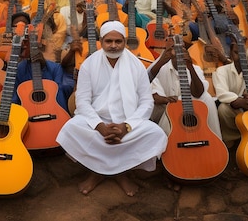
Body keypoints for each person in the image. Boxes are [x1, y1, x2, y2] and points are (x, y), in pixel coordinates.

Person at [56, 21, 167, 197]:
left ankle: (118, 173)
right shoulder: (89, 64)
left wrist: (126, 126)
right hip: (97, 122)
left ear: (124, 42)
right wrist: (99, 126)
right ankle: (100, 172)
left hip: (128, 123)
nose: (113, 46)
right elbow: (82, 101)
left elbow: (146, 102)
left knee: (156, 134)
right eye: (109, 41)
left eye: (118, 41)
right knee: (70, 129)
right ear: (101, 41)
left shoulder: (136, 65)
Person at [147, 45, 222, 140]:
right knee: (176, 103)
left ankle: (214, 141)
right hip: (165, 110)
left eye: (184, 51)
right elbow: (154, 94)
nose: (181, 55)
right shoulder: (161, 68)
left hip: (189, 110)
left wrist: (190, 67)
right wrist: (167, 100)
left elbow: (199, 94)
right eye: (177, 51)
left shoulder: (195, 68)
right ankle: (167, 145)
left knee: (207, 98)